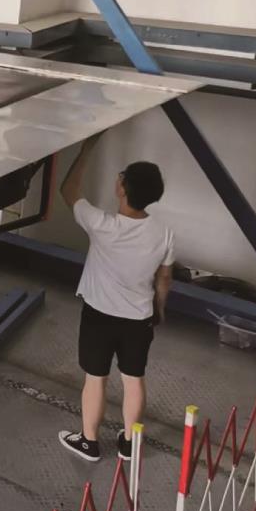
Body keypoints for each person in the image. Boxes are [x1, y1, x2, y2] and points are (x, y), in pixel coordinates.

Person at [57, 135, 174, 462]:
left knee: (96, 378)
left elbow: (68, 190)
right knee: (133, 379)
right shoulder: (164, 233)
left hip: (99, 315)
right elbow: (164, 277)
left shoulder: (101, 224)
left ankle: (89, 442)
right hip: (138, 318)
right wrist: (159, 308)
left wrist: (85, 150)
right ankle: (129, 444)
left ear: (122, 188)